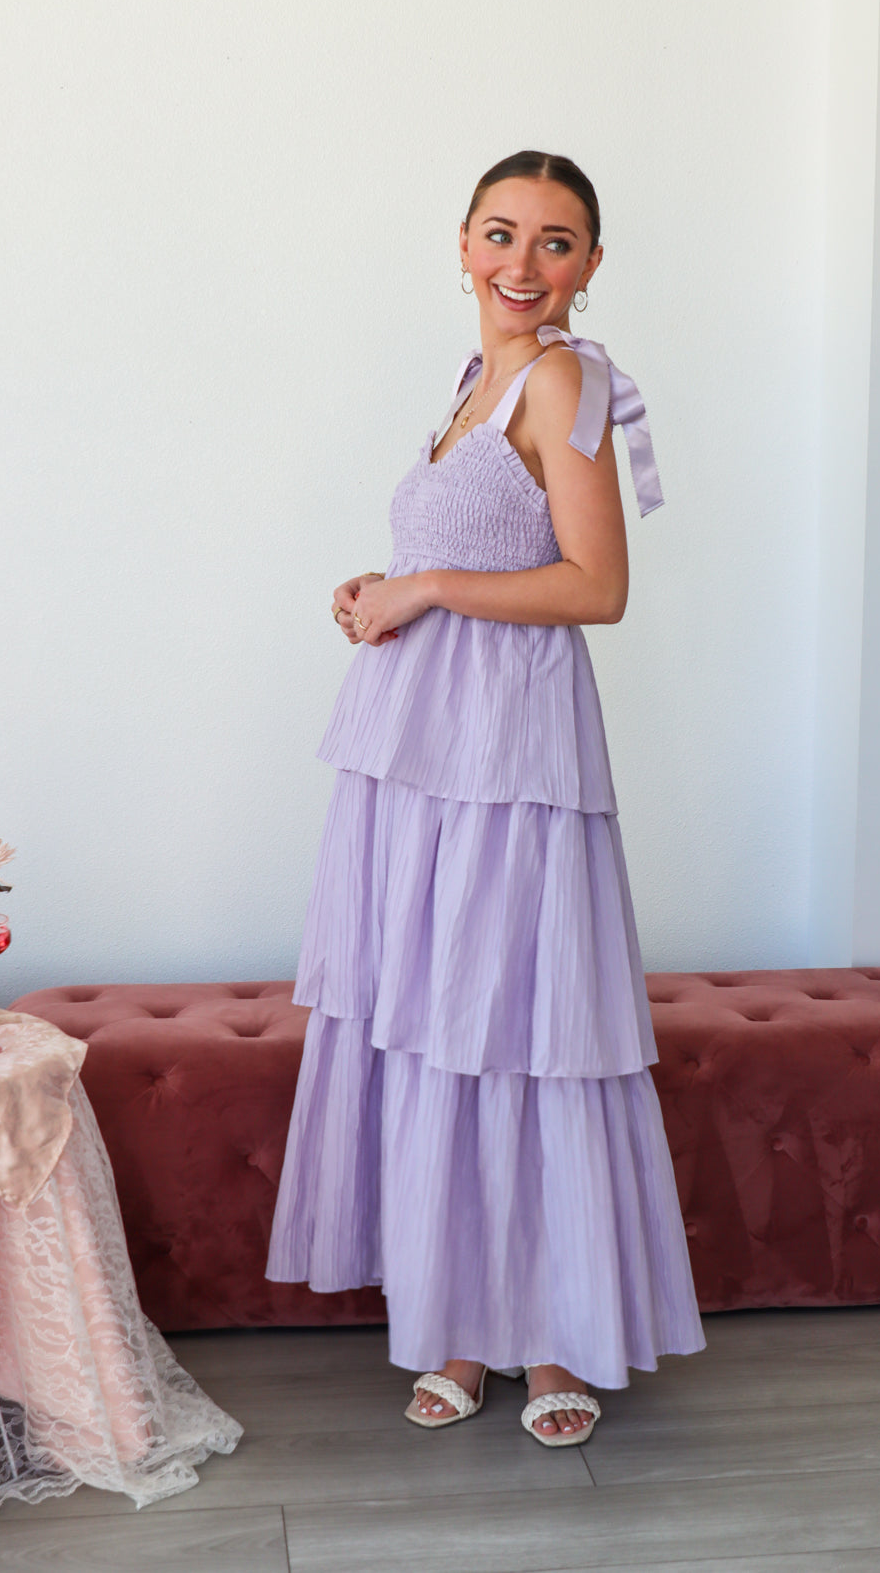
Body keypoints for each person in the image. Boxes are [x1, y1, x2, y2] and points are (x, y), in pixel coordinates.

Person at [267, 150, 704, 1445]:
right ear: (460, 244)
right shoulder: (474, 384)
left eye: (556, 241)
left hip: (510, 759)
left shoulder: (566, 375)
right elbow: (467, 554)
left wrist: (429, 590)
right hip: (423, 752)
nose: (524, 265)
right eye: (501, 235)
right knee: (442, 1020)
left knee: (520, 1020)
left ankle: (558, 1338)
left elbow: (593, 586)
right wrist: (382, 588)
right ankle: (463, 1319)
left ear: (591, 263)